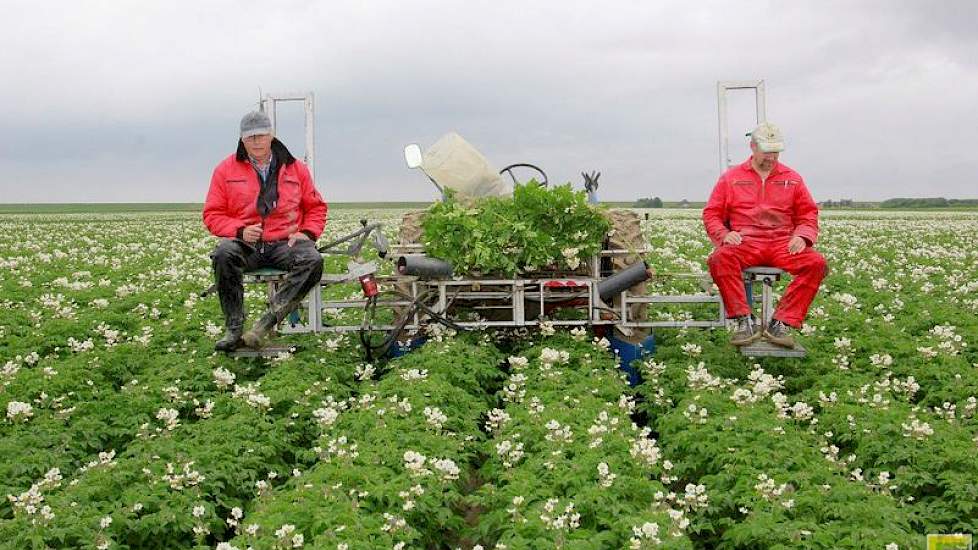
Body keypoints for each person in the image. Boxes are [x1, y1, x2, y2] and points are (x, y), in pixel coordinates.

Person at [203, 110, 327, 351]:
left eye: (261, 135)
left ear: (271, 136)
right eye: (250, 137)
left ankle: (265, 324)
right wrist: (239, 230)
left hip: (284, 243)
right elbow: (212, 214)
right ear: (242, 140)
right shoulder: (225, 170)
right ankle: (234, 328)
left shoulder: (295, 169)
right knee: (223, 253)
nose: (256, 141)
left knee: (312, 259)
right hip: (247, 246)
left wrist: (308, 233)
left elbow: (316, 207)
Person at [702, 122, 827, 348]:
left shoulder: (793, 178)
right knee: (719, 259)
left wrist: (802, 236)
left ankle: (781, 322)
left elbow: (808, 213)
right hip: (746, 242)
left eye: (776, 151)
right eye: (767, 151)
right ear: (752, 146)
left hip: (782, 243)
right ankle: (744, 320)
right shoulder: (731, 178)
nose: (771, 156)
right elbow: (712, 213)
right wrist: (724, 234)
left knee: (816, 263)